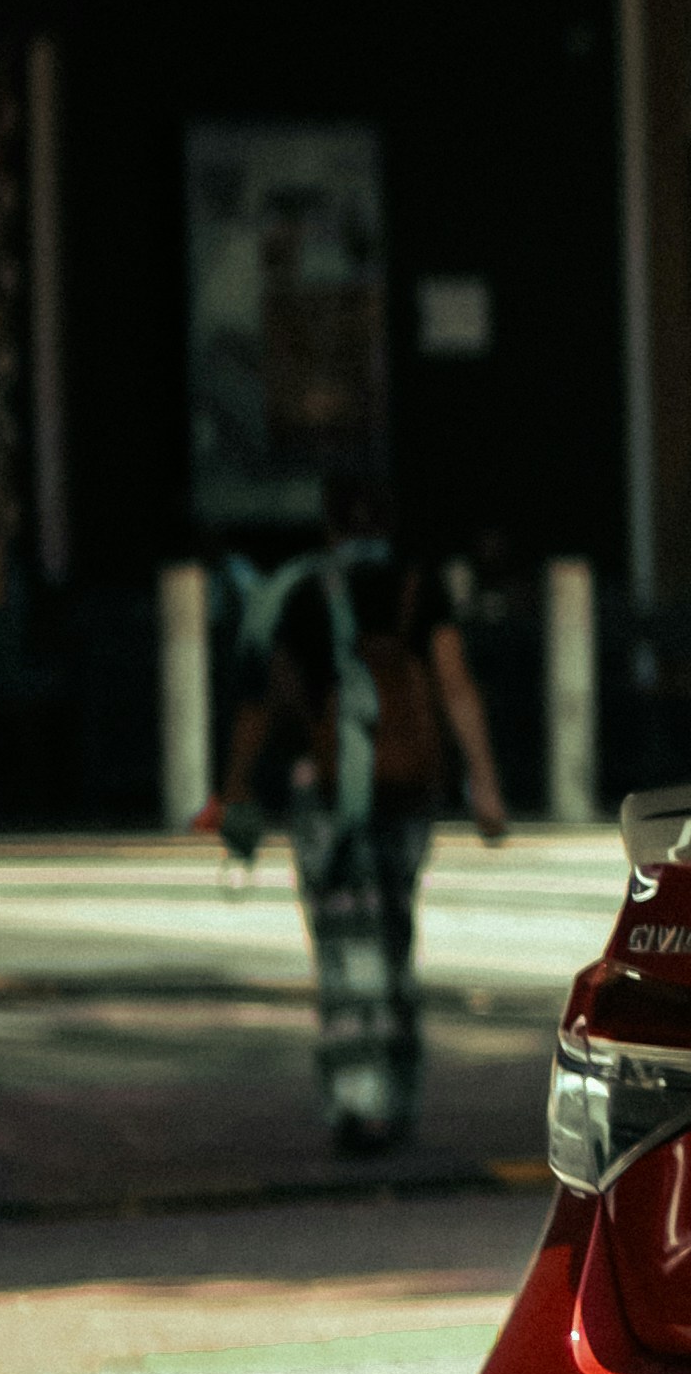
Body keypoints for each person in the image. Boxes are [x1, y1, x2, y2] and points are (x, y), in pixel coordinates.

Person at [210, 488, 510, 1159]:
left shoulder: (296, 593)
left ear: (329, 527)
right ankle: (398, 1097)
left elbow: (261, 700)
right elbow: (455, 684)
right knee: (396, 937)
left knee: (346, 950)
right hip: (407, 795)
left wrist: (235, 793)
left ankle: (358, 1100)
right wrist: (484, 783)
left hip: (326, 799)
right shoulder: (418, 587)